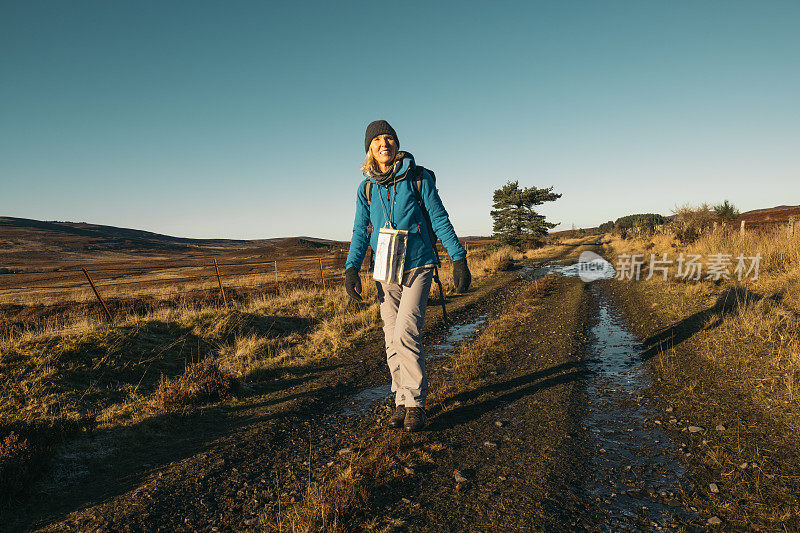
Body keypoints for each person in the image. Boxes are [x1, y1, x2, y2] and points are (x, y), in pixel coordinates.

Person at [344, 120, 471, 432]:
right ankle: (400, 399)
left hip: (418, 265)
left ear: (396, 144)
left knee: (405, 332)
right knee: (390, 337)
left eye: (388, 139)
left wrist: (458, 258)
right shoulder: (367, 188)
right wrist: (351, 268)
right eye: (377, 141)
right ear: (370, 150)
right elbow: (361, 231)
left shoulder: (418, 177)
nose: (383, 144)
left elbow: (439, 218)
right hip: (385, 271)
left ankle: (415, 403)